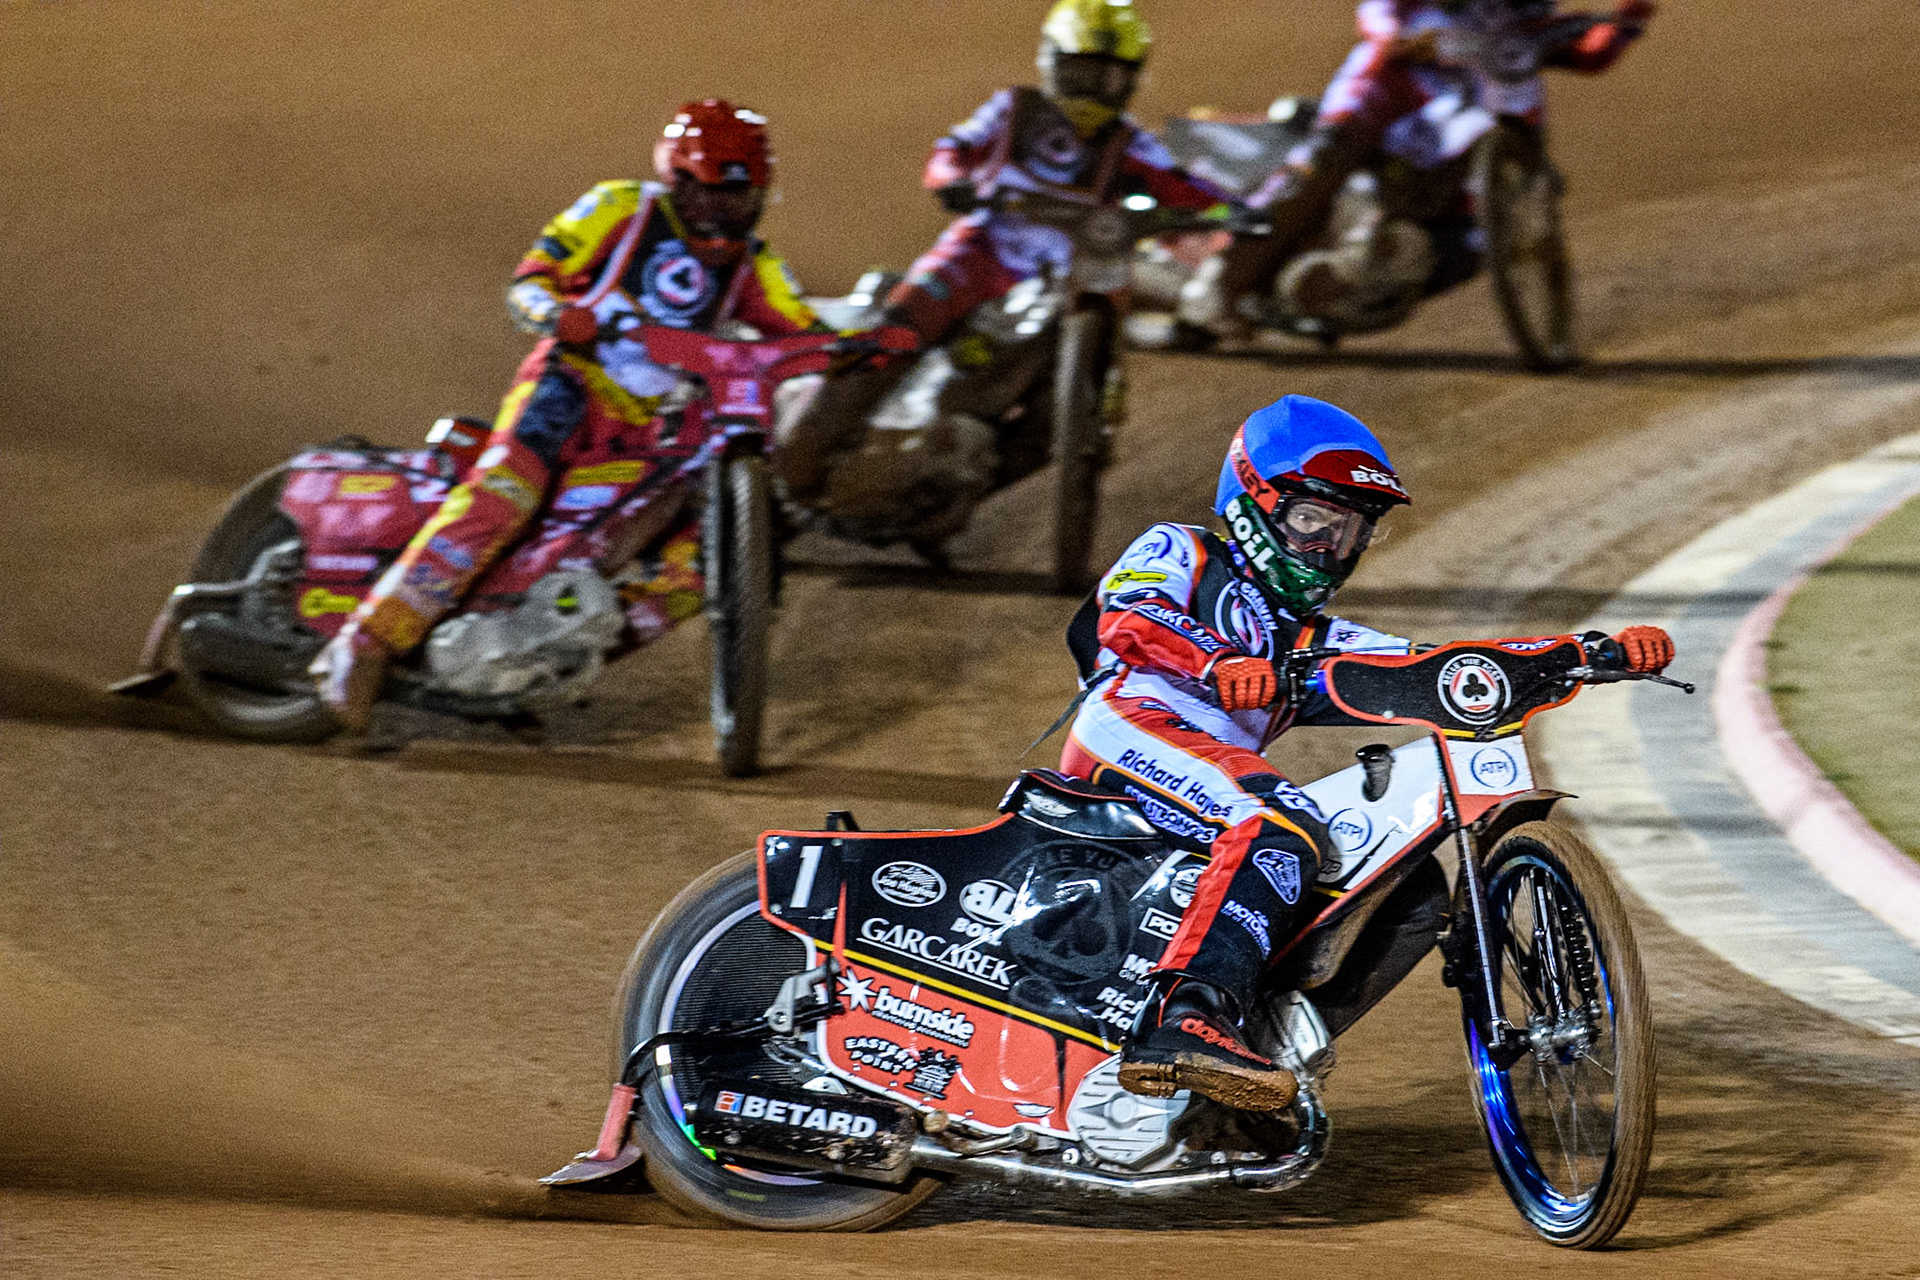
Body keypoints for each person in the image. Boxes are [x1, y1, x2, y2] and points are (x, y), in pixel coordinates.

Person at [1059, 394, 1674, 1109]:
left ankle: (1250, 1065)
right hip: (1128, 725)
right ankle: (1184, 1020)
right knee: (1279, 822)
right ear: (1254, 503)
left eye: (1350, 531)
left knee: (1410, 895)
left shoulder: (1312, 636)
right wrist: (1216, 664)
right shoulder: (1184, 549)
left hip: (1205, 776)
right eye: (1313, 520)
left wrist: (1588, 653)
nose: (1329, 548)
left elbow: (1439, 667)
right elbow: (1130, 616)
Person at [311, 100, 827, 729]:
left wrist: (862, 349)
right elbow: (530, 283)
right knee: (502, 499)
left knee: (696, 559)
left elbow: (803, 329)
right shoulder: (619, 208)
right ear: (681, 181)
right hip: (568, 390)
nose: (728, 215)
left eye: (743, 202)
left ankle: (541, 654)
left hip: (656, 430)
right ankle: (363, 645)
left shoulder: (756, 264)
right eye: (716, 198)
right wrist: (556, 314)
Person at [774, 0, 1235, 506]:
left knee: (1063, 413)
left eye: (1107, 77)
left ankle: (947, 491)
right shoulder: (1012, 110)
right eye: (1081, 72)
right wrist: (953, 181)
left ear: (1130, 80)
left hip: (1078, 279)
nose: (1092, 89)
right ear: (1052, 61)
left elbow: (1190, 187)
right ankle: (794, 464)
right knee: (892, 332)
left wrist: (1238, 212)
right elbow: (951, 150)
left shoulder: (1132, 144)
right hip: (979, 255)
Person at [1178, 0, 1656, 337]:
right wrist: (1398, 37)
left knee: (1470, 241)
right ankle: (1221, 278)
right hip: (1394, 81)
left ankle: (1364, 278)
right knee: (1326, 154)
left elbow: (1591, 52)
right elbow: (1378, 11)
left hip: (1483, 114)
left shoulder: (1529, 19)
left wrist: (1632, 15)